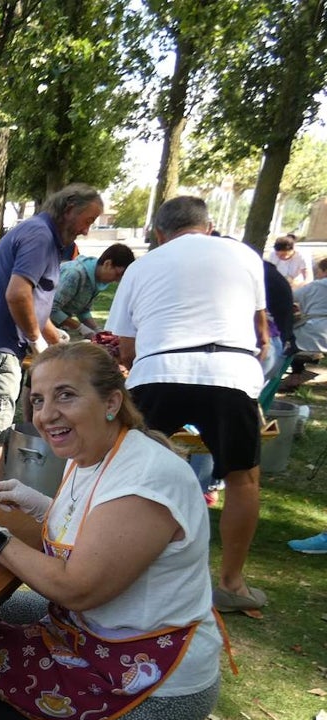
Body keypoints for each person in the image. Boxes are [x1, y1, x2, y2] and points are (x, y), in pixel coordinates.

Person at [0, 341, 221, 720]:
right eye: (39, 399)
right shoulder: (92, 455)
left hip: (153, 681)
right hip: (95, 632)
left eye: (66, 395)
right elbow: (100, 533)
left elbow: (76, 588)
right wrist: (42, 506)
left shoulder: (146, 479)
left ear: (111, 402)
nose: (46, 414)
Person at [106, 195, 268, 613]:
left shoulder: (142, 265)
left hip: (160, 371)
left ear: (160, 233)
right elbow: (261, 329)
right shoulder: (243, 254)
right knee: (242, 479)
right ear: (208, 226)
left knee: (127, 469)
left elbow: (126, 347)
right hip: (231, 372)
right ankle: (231, 582)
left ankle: (116, 565)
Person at [0, 183, 104, 488]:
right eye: (87, 221)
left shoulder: (38, 232)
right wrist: (36, 340)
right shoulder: (40, 237)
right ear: (69, 208)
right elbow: (17, 295)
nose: (86, 231)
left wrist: (54, 336)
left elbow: (34, 303)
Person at [49, 243, 135, 336]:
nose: (117, 280)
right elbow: (52, 309)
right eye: (118, 274)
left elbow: (82, 310)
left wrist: (96, 330)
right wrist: (80, 327)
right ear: (107, 264)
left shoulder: (95, 279)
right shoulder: (75, 273)